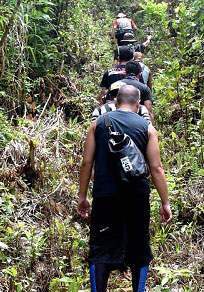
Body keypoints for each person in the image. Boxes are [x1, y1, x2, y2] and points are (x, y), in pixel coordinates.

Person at [77, 85, 171, 292]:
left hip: (105, 196)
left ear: (115, 103)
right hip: (136, 196)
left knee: (100, 246)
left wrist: (83, 196)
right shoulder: (147, 128)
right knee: (139, 246)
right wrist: (165, 203)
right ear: (138, 105)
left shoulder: (97, 124)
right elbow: (156, 168)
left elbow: (86, 163)